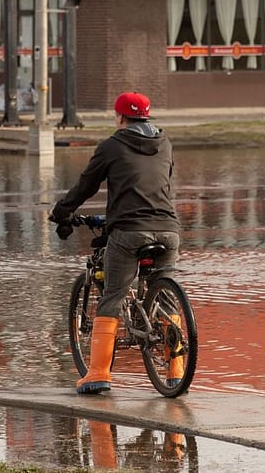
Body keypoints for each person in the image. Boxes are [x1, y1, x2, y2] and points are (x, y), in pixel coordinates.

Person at [50, 91, 181, 394]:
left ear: (120, 117)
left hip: (129, 230)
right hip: (168, 229)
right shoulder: (165, 142)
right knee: (165, 296)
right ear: (146, 115)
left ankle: (98, 374)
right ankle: (176, 372)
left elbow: (86, 185)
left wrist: (62, 212)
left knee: (112, 296)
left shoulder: (111, 145)